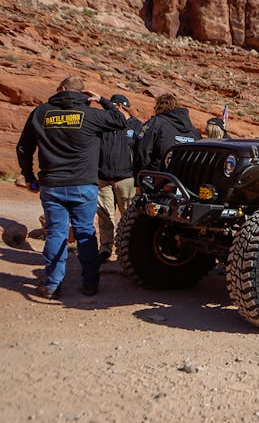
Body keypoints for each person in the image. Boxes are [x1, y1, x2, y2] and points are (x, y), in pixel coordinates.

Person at [16, 77, 127, 298]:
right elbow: (120, 120)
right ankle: (90, 284)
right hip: (83, 184)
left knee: (56, 233)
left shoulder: (41, 112)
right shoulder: (92, 115)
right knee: (85, 232)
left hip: (52, 184)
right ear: (82, 93)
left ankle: (52, 285)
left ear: (63, 89)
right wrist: (102, 99)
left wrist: (29, 177)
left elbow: (23, 148)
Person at [96, 94, 142, 262]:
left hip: (126, 178)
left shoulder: (137, 126)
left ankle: (128, 250)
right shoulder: (105, 124)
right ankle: (105, 249)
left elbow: (141, 154)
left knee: (128, 217)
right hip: (102, 177)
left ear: (120, 107)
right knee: (104, 215)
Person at [135, 93, 201, 173]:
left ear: (158, 107)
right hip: (186, 178)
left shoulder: (155, 123)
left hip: (159, 177)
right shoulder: (193, 130)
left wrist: (141, 176)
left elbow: (142, 150)